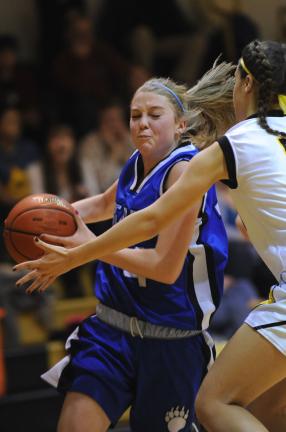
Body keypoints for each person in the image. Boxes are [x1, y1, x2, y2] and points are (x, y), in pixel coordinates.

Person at [16, 40, 286, 431]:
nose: (142, 122)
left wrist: (81, 252)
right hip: (114, 327)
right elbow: (102, 205)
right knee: (266, 413)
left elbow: (154, 229)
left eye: (153, 114)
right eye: (135, 115)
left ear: (245, 85)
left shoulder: (218, 152)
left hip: (170, 339)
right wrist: (46, 224)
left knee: (216, 405)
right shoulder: (135, 165)